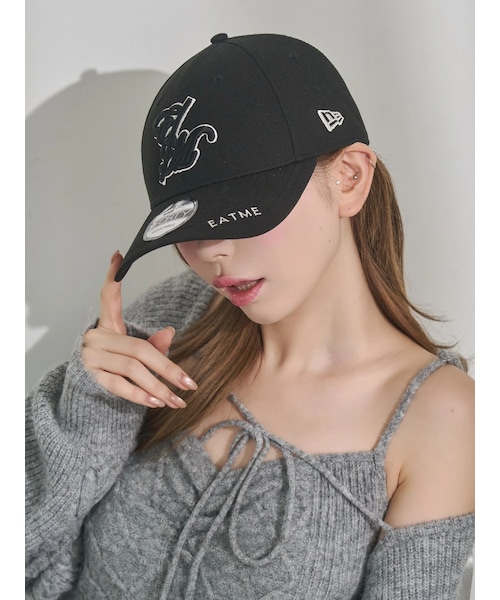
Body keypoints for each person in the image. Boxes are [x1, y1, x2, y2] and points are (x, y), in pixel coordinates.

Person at [25, 32, 474, 599]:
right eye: (189, 225)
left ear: (349, 178)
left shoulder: (443, 417)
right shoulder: (170, 322)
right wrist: (86, 410)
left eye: (242, 212)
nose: (212, 251)